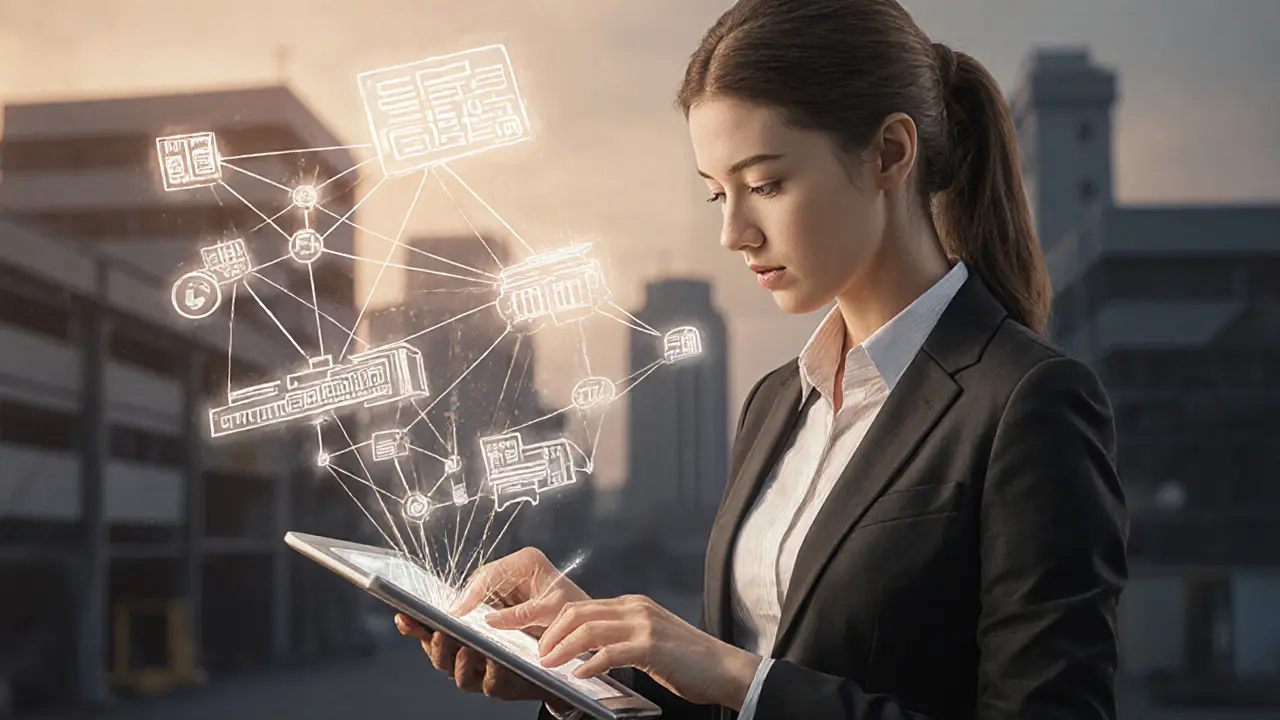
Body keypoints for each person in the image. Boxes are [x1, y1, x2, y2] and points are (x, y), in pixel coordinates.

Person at [396, 0, 1129, 716]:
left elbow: (746, 682)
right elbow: (730, 692)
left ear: (890, 153)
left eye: (766, 185)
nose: (734, 233)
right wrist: (586, 664)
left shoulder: (1028, 402)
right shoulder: (779, 401)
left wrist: (740, 677)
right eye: (718, 194)